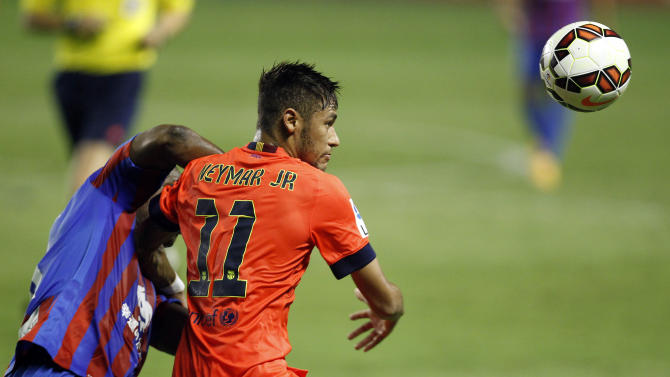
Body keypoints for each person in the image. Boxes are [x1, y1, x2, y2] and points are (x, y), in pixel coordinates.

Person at [135, 62, 405, 377]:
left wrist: (173, 286)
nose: (335, 139)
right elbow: (385, 301)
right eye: (328, 124)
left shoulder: (199, 173)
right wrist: (393, 307)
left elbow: (143, 235)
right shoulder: (318, 189)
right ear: (291, 121)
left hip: (191, 369)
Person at [5, 125, 223, 377]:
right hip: (56, 369)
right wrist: (243, 181)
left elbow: (196, 342)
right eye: (167, 201)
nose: (169, 215)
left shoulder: (148, 285)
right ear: (146, 187)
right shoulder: (107, 202)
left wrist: (175, 286)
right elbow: (172, 139)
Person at [19, 0, 193, 195]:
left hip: (122, 73)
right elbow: (32, 18)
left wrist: (159, 32)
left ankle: (82, 221)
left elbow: (176, 11)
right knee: (88, 162)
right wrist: (73, 24)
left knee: (94, 157)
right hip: (72, 74)